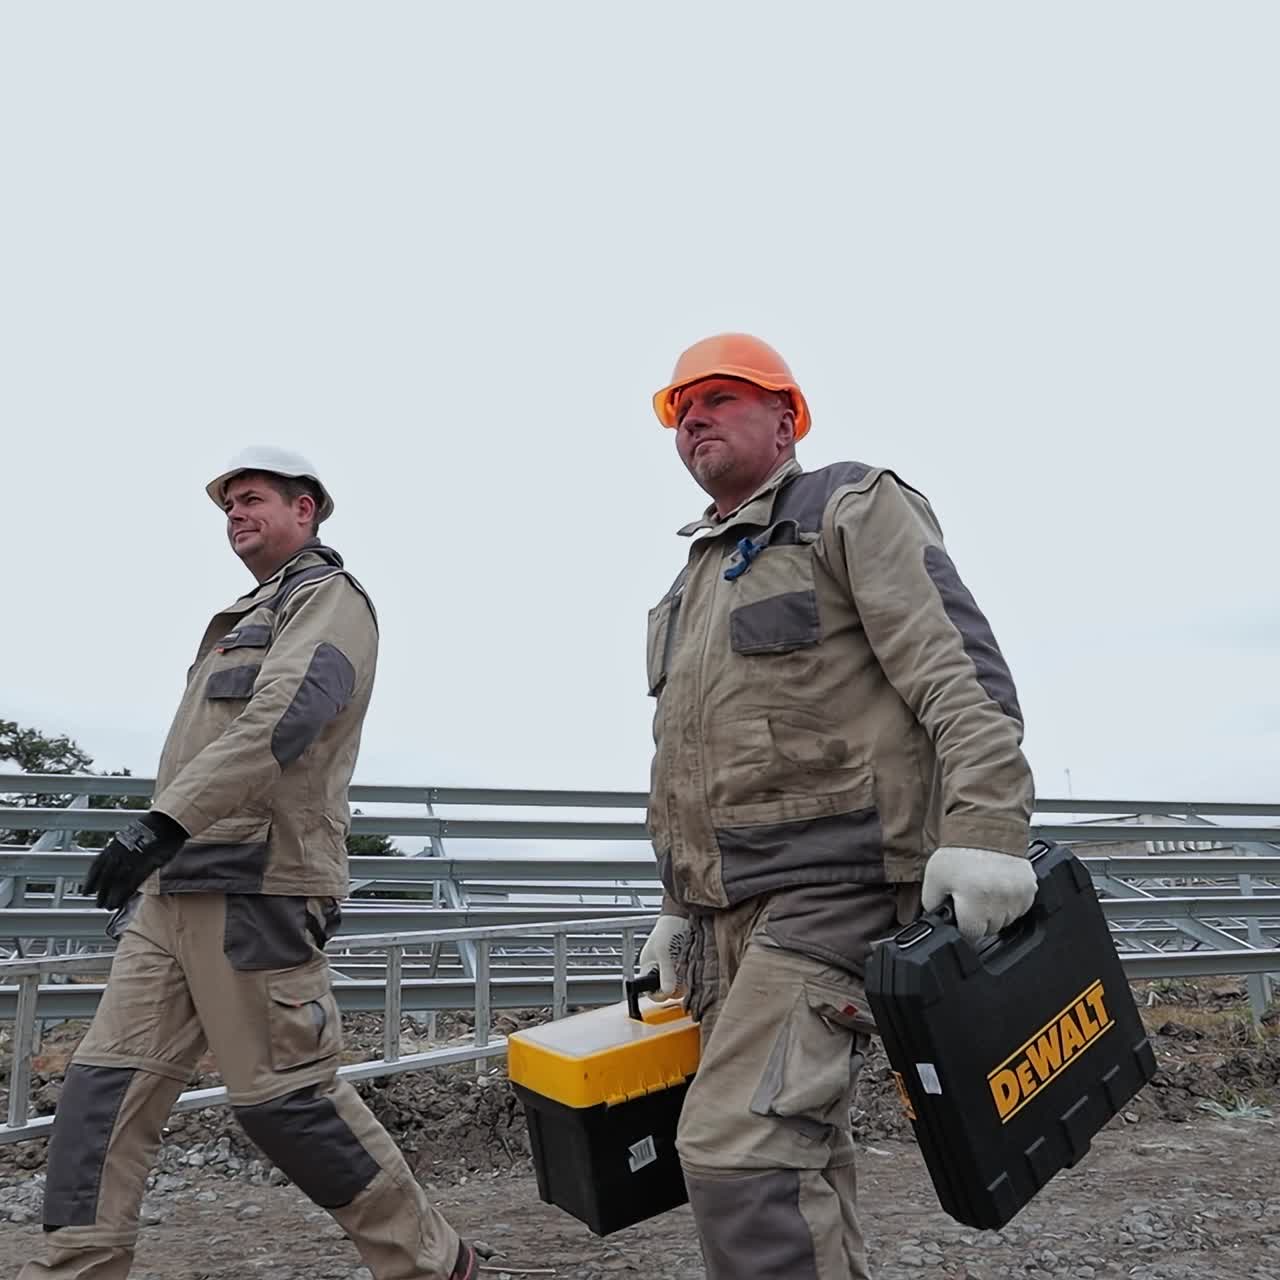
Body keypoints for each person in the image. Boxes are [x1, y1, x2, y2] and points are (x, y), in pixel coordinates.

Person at [22, 447, 477, 1280]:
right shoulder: (238, 614)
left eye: (253, 498)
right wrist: (162, 847)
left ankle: (432, 1264)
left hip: (260, 885)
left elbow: (289, 712)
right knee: (99, 1098)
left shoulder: (329, 600)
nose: (235, 513)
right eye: (227, 504)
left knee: (288, 1106)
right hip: (177, 890)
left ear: (307, 510)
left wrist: (163, 821)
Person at [637, 335, 1037, 1279]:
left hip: (836, 888)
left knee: (741, 1151)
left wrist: (986, 830)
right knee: (795, 1143)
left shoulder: (849, 506)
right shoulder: (689, 583)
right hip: (725, 913)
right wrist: (674, 904)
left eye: (721, 398)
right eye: (679, 408)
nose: (694, 417)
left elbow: (958, 668)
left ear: (787, 419)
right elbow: (693, 763)